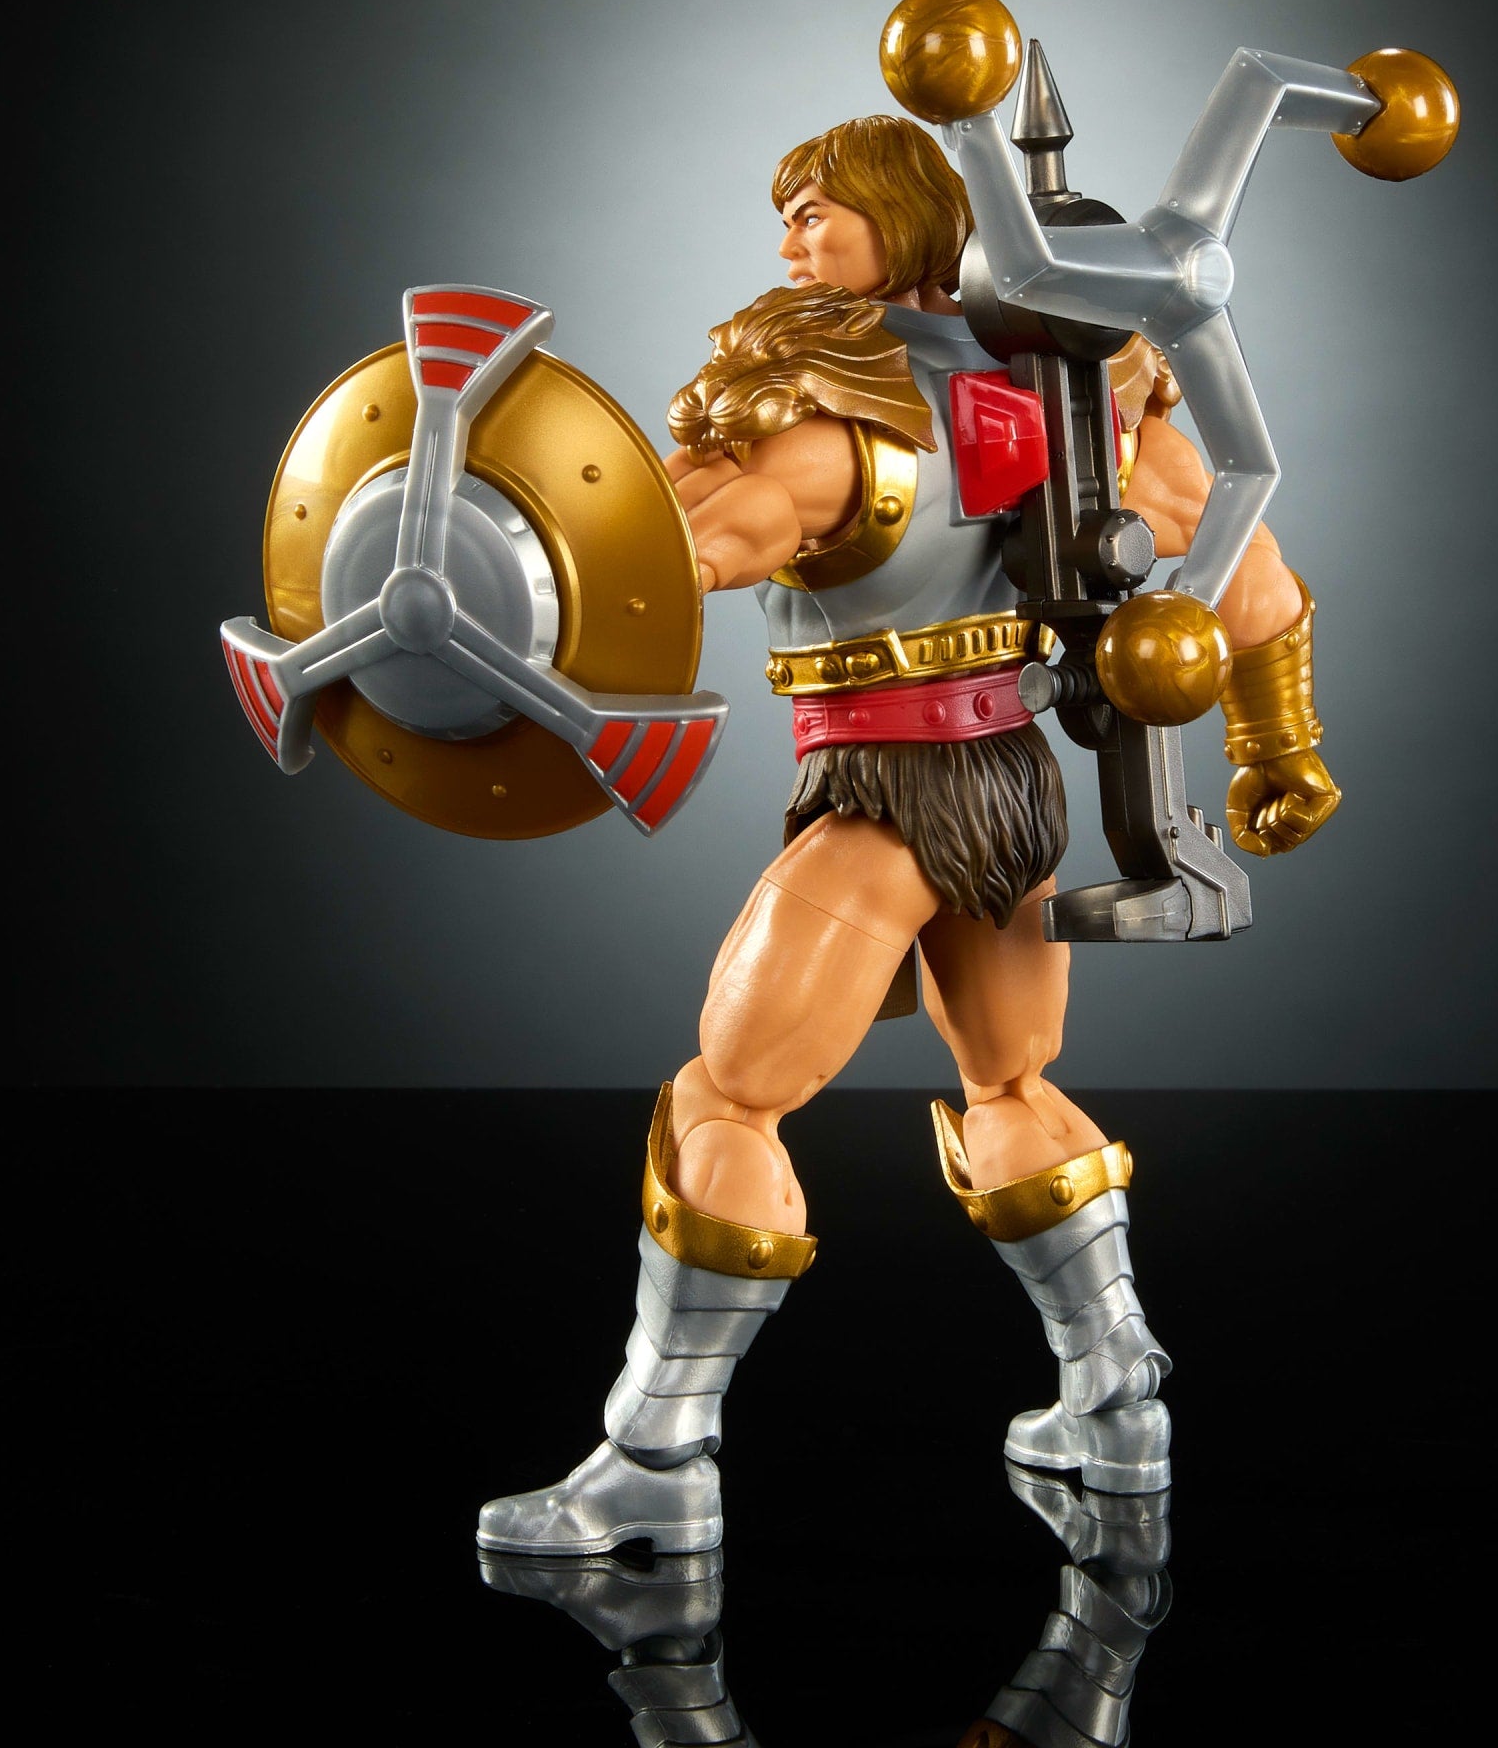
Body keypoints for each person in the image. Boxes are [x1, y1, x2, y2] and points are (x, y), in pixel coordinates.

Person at [476, 115, 1338, 1557]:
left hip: (885, 800)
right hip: (1013, 792)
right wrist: (1281, 752)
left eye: (816, 210)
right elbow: (1253, 587)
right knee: (1010, 1084)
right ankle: (1118, 1406)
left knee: (727, 1100)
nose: (789, 240)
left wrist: (476, 579)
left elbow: (673, 552)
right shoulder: (1084, 404)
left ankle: (656, 1462)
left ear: (904, 218)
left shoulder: (830, 412)